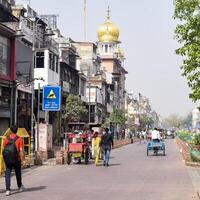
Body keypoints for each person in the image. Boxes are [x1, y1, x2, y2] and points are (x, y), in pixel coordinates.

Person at [3, 125, 24, 196]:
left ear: (11, 131)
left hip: (8, 159)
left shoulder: (6, 138)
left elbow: (4, 149)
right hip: (16, 159)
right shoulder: (19, 139)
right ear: (17, 130)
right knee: (18, 173)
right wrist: (22, 159)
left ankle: (8, 190)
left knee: (7, 174)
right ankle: (19, 187)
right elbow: (21, 151)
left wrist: (4, 160)